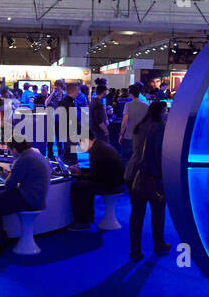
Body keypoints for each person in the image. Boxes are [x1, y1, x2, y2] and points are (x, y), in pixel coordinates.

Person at [0, 134, 50, 255]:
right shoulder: (34, 154)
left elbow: (8, 186)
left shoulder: (23, 159)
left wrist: (4, 176)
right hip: (35, 196)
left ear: (15, 149)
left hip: (29, 199)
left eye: (10, 150)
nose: (11, 153)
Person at [124, 100, 170, 261]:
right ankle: (159, 244)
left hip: (133, 174)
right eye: (165, 111)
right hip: (151, 175)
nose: (166, 113)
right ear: (159, 112)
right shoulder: (160, 128)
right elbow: (158, 155)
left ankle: (134, 251)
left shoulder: (140, 126)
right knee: (158, 210)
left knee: (136, 213)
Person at [69, 134, 125, 229]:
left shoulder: (95, 151)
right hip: (116, 179)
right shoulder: (100, 145)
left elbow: (95, 175)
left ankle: (82, 221)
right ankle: (88, 217)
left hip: (111, 183)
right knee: (83, 183)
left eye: (79, 143)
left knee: (77, 186)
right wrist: (81, 171)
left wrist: (79, 173)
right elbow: (97, 169)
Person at [118, 84, 148, 164]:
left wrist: (121, 134)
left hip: (129, 135)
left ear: (131, 94)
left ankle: (127, 175)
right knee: (139, 159)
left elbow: (124, 122)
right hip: (141, 135)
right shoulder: (146, 105)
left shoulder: (128, 105)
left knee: (127, 159)